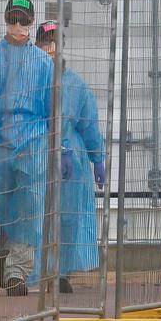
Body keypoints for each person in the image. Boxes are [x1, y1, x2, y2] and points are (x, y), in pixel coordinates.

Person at [0, 0, 64, 296]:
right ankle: (3, 250)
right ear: (6, 19)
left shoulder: (44, 64)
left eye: (23, 20)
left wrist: (59, 144)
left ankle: (16, 273)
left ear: (31, 22)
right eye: (13, 19)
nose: (18, 26)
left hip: (32, 139)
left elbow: (54, 108)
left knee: (31, 204)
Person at [34, 20, 105, 293]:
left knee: (69, 217)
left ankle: (61, 272)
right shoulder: (32, 81)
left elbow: (88, 122)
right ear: (37, 45)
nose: (49, 47)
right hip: (38, 156)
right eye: (45, 42)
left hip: (72, 165)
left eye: (54, 42)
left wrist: (97, 158)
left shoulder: (76, 84)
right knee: (40, 213)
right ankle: (38, 271)